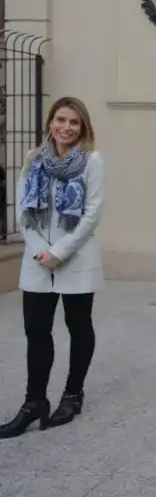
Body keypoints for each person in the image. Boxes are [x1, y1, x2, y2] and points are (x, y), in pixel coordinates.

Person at [0, 97, 105, 440]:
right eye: (61, 119)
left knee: (78, 325)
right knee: (37, 330)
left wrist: (59, 251)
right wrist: (40, 250)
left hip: (75, 258)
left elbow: (92, 214)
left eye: (74, 122)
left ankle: (73, 394)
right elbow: (23, 212)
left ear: (83, 128)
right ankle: (34, 403)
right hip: (37, 261)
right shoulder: (33, 159)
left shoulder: (92, 162)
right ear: (50, 123)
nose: (66, 127)